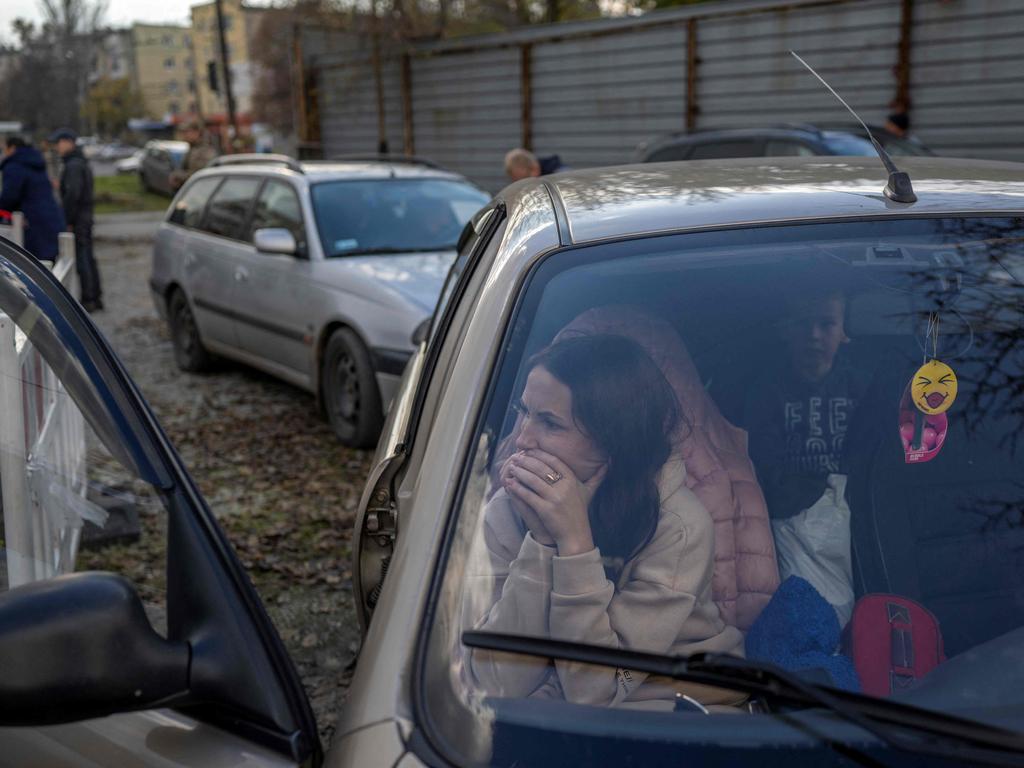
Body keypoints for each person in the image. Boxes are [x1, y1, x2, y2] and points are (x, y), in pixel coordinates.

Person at [467, 334, 744, 707]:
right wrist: (543, 543)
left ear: (612, 439)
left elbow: (596, 690)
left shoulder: (678, 527)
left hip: (673, 696)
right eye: (524, 411)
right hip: (547, 705)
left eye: (550, 423)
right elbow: (497, 683)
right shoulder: (509, 508)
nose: (522, 439)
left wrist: (575, 545)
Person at [50, 128, 102, 312]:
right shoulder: (78, 162)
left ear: (68, 142)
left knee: (83, 258)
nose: (57, 147)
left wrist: (68, 219)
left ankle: (89, 299)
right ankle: (95, 297)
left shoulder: (73, 165)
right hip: (85, 216)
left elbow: (73, 194)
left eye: (58, 143)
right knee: (88, 256)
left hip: (79, 218)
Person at [0, 136, 66, 262]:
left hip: (31, 223)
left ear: (12, 148)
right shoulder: (36, 163)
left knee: (35, 265)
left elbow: (9, 197)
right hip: (51, 219)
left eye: (5, 149)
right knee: (49, 265)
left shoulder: (15, 166)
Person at [170, 120, 217, 190]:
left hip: (203, 190)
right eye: (183, 132)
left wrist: (179, 176)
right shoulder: (192, 147)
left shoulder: (206, 148)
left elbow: (201, 173)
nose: (184, 135)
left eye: (187, 132)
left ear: (196, 132)